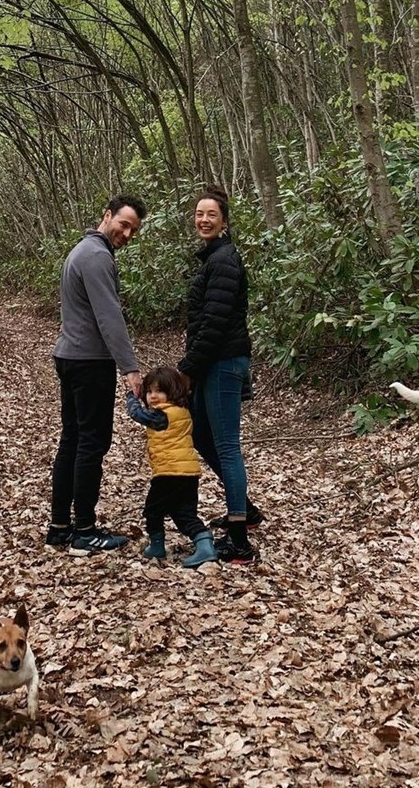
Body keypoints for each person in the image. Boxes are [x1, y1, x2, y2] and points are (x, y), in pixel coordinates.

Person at [46, 193, 147, 556]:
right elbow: (109, 317)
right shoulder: (97, 256)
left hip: (70, 356)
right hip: (89, 362)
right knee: (92, 443)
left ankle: (60, 526)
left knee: (73, 440)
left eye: (134, 230)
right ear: (106, 216)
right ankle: (84, 532)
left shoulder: (81, 251)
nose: (128, 234)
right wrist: (130, 369)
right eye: (124, 224)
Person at [178, 186, 263, 565]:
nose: (204, 219)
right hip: (213, 362)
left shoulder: (225, 260)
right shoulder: (213, 258)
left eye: (211, 214)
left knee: (227, 446)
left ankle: (240, 540)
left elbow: (213, 323)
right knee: (199, 433)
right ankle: (243, 507)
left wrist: (186, 370)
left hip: (223, 363)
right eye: (199, 213)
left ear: (224, 221)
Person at [125, 366, 218, 568]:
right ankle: (204, 543)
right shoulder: (183, 411)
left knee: (153, 510)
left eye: (159, 391)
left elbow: (138, 415)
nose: (153, 396)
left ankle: (157, 545)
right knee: (183, 513)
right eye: (149, 392)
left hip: (170, 473)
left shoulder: (163, 415)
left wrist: (131, 397)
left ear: (172, 392)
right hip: (188, 472)